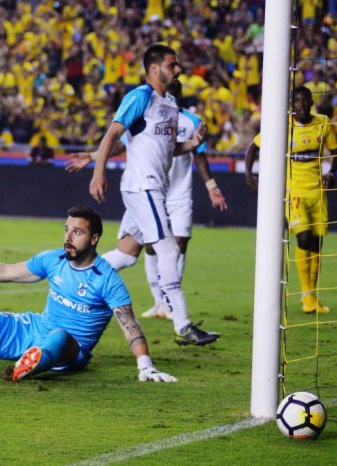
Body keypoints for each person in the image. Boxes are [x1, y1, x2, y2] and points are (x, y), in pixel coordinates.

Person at [0, 206, 177, 384]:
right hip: (36, 328)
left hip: (71, 350)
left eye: (77, 232)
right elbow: (5, 271)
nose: (68, 237)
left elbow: (129, 324)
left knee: (59, 336)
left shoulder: (108, 280)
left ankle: (27, 366)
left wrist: (145, 364)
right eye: (66, 230)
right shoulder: (54, 259)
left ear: (94, 238)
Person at [88, 43, 220, 346]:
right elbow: (113, 133)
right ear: (154, 68)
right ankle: (182, 325)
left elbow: (169, 149)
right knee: (169, 249)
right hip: (142, 186)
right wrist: (98, 172)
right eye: (172, 65)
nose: (178, 69)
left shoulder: (170, 104)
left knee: (126, 254)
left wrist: (193, 143)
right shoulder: (140, 97)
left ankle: (77, 277)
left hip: (153, 187)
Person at [66, 79, 228, 319]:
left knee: (158, 249)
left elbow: (194, 154)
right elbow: (119, 143)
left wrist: (211, 184)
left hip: (176, 195)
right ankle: (171, 312)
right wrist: (92, 157)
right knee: (150, 251)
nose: (167, 96)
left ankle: (169, 307)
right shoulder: (146, 113)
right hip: (145, 191)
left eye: (171, 93)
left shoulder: (189, 121)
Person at [244, 85, 337, 314]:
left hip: (317, 192)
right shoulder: (282, 125)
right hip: (293, 193)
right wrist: (249, 174)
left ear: (311, 103)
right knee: (304, 237)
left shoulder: (323, 123)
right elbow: (253, 147)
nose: (301, 105)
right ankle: (306, 295)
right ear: (291, 104)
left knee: (316, 243)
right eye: (296, 101)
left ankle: (311, 296)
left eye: (304, 101)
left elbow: (336, 152)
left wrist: (331, 172)